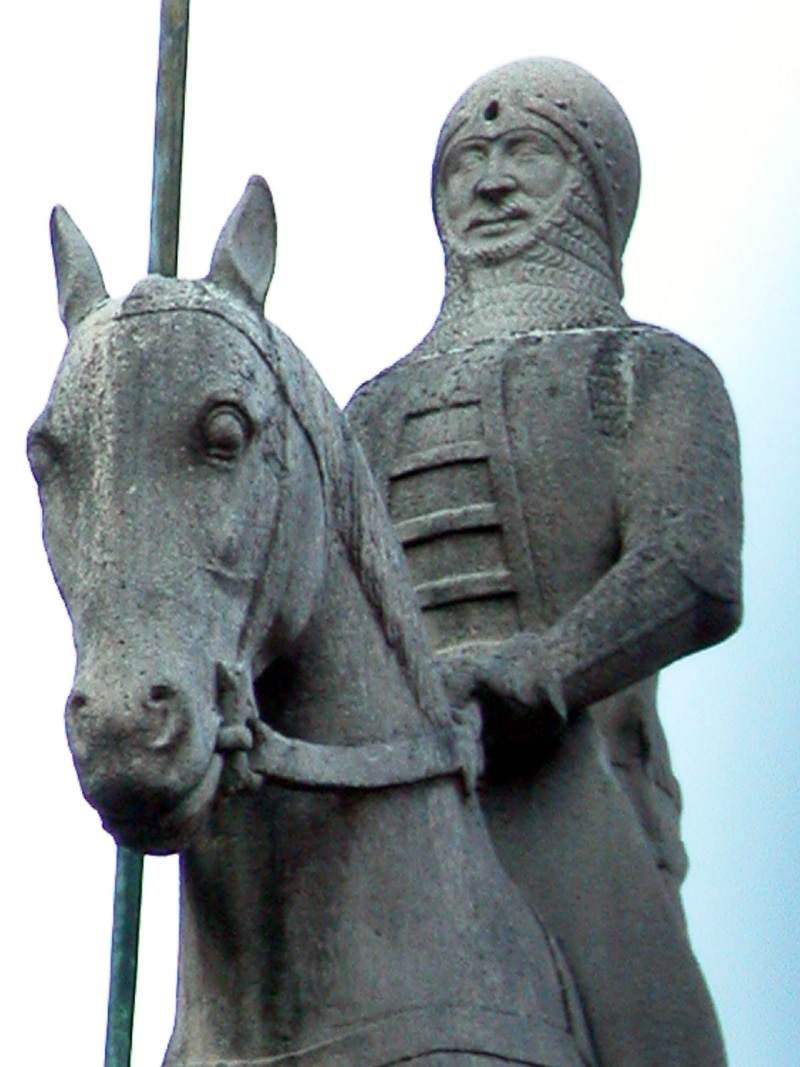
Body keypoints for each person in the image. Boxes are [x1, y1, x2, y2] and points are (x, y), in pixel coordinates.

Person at [346, 58, 742, 1066]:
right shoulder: (365, 413)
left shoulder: (646, 371)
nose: (488, 182)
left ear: (594, 184)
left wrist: (544, 663)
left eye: (526, 151)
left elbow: (691, 568)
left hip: (564, 785)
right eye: (464, 162)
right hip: (375, 806)